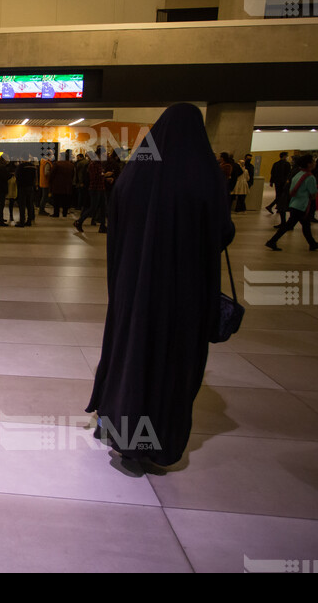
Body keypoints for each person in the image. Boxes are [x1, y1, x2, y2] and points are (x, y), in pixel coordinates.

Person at [85, 103, 235, 466]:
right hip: (184, 293)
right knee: (173, 361)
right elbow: (222, 233)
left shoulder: (135, 173)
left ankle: (121, 429)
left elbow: (114, 222)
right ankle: (158, 442)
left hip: (132, 289)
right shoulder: (204, 175)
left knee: (130, 350)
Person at [265, 153, 318, 252]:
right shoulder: (310, 177)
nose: (315, 163)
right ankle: (272, 241)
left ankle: (312, 243)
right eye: (313, 161)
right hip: (301, 205)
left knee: (305, 226)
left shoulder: (298, 174)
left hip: (295, 203)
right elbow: (313, 194)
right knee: (290, 225)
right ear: (309, 164)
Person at [74, 151, 106, 232]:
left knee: (104, 208)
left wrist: (104, 177)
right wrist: (104, 175)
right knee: (93, 208)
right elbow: (94, 177)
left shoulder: (99, 164)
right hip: (95, 189)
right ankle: (79, 222)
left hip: (101, 188)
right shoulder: (93, 164)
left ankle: (102, 226)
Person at [266, 152, 292, 226]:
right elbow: (288, 174)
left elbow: (272, 173)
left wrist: (271, 181)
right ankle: (272, 206)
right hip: (283, 183)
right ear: (284, 156)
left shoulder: (276, 164)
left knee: (278, 195)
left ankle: (276, 207)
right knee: (281, 196)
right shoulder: (287, 164)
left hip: (277, 182)